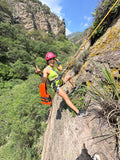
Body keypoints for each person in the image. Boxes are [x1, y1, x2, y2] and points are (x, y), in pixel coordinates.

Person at [34, 52, 85, 117]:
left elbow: (60, 69)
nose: (52, 61)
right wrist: (40, 74)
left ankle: (74, 87)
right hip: (56, 86)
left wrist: (59, 63)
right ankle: (78, 112)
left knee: (69, 77)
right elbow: (44, 81)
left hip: (60, 81)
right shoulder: (46, 70)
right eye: (50, 59)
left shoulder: (54, 66)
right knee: (66, 97)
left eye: (53, 59)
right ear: (48, 61)